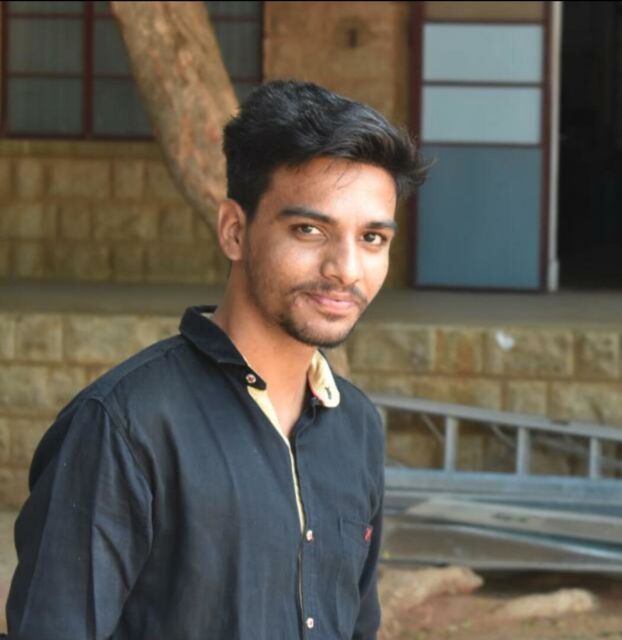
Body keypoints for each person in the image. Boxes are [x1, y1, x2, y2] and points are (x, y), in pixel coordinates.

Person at [5, 80, 427, 640]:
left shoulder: (356, 426)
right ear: (234, 231)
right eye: (309, 229)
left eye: (372, 238)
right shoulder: (124, 427)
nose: (346, 269)